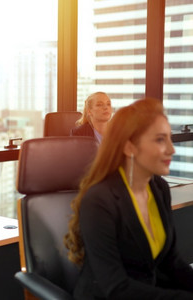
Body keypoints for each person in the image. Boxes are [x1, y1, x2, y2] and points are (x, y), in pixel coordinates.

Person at [64, 98, 193, 299]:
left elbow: (171, 261)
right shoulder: (100, 200)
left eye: (169, 138)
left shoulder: (159, 188)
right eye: (160, 139)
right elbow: (115, 287)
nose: (171, 149)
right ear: (130, 148)